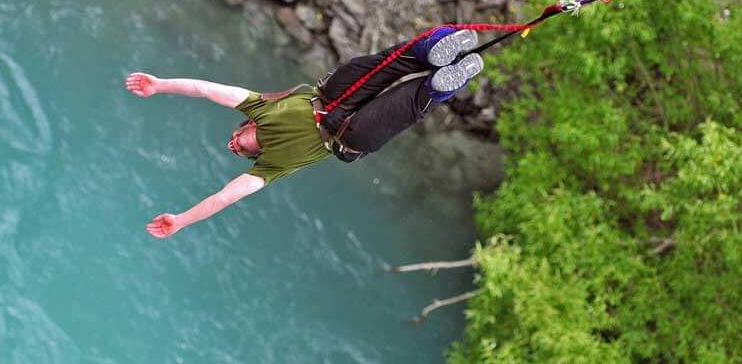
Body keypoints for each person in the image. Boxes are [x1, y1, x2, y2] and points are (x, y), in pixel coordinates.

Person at [125, 26, 483, 238]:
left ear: (244, 126)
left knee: (385, 63)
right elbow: (222, 198)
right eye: (235, 151)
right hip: (346, 136)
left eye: (233, 140)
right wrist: (182, 221)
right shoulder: (267, 169)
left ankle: (432, 49)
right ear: (249, 155)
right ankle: (441, 84)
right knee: (408, 105)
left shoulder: (257, 107)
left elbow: (204, 89)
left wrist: (160, 85)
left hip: (328, 96)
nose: (232, 145)